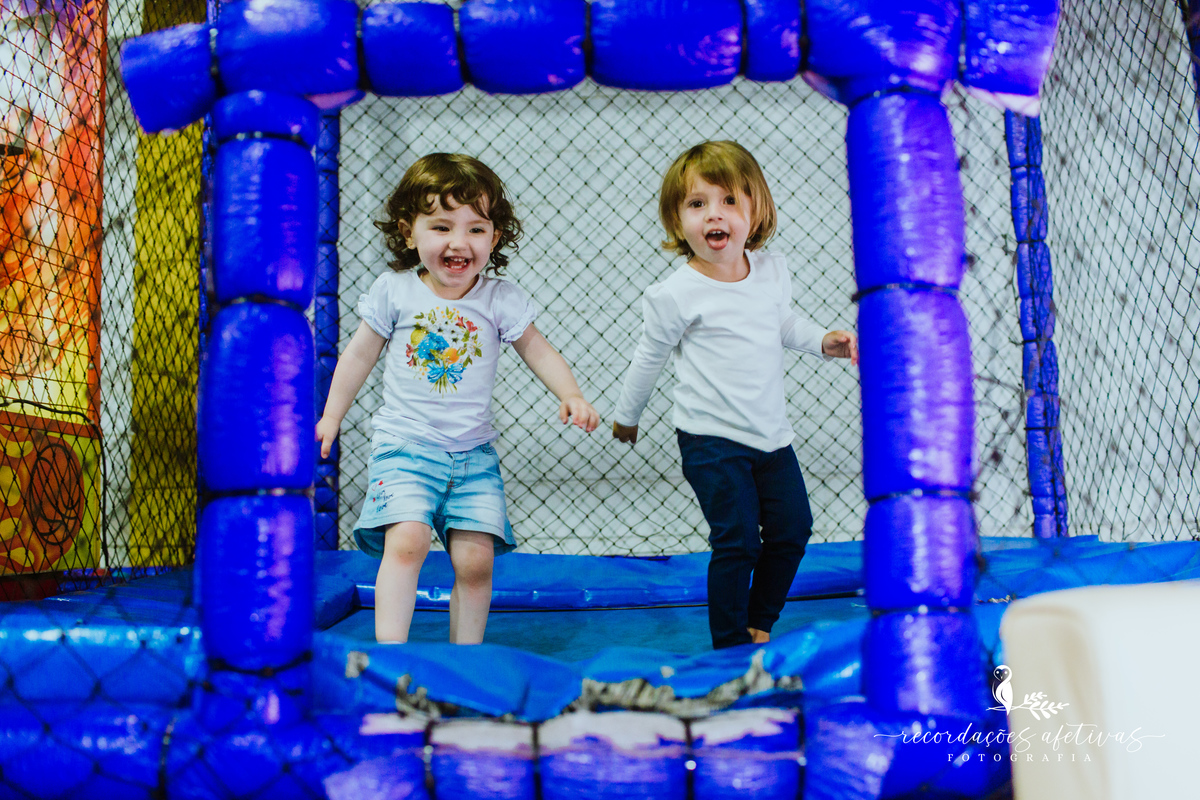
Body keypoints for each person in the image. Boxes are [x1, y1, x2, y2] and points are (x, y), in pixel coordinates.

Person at [317, 153, 599, 644]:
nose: (458, 242)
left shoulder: (498, 298)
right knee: (407, 542)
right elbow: (359, 355)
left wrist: (570, 393)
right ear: (409, 233)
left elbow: (538, 349)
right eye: (441, 226)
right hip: (405, 447)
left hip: (473, 456)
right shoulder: (396, 291)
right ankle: (392, 652)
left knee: (475, 560)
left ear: (494, 237)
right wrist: (331, 417)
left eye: (475, 229)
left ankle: (465, 657)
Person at [612, 140, 858, 650]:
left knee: (793, 531)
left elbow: (784, 325)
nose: (713, 215)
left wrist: (825, 342)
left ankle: (758, 624)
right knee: (739, 540)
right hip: (710, 440)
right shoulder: (674, 293)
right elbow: (648, 357)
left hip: (771, 437)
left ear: (755, 211)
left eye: (727, 201)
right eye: (697, 204)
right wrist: (626, 416)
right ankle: (729, 645)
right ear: (678, 222)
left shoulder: (770, 270)